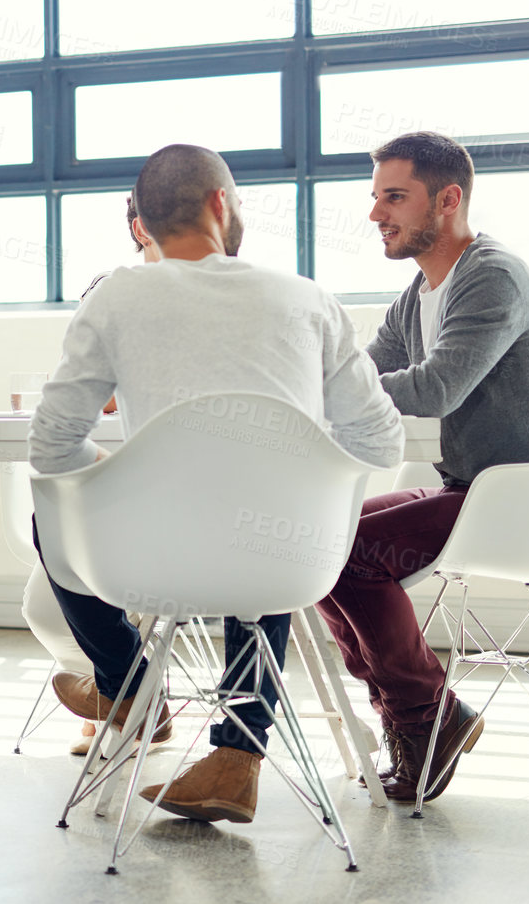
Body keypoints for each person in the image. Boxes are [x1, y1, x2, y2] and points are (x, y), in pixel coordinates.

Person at [30, 144, 403, 825]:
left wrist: (116, 483)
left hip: (148, 560)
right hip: (292, 559)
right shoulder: (309, 299)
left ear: (141, 225)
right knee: (274, 514)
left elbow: (51, 443)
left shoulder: (115, 295)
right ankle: (238, 753)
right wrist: (310, 469)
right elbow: (381, 441)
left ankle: (129, 683)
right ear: (218, 204)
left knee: (47, 507)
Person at [316, 131, 529, 803]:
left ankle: (425, 717)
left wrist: (335, 393)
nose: (376, 213)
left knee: (347, 551)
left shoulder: (491, 275)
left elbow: (436, 388)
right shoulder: (418, 293)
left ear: (448, 198)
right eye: (375, 197)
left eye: (394, 197)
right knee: (313, 535)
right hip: (478, 487)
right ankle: (417, 711)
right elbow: (364, 370)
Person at [20, 193, 160, 756]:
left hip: (175, 517)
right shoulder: (115, 293)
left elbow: (59, 431)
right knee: (43, 597)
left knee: (53, 527)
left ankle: (130, 694)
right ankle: (126, 698)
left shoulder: (127, 293)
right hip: (240, 526)